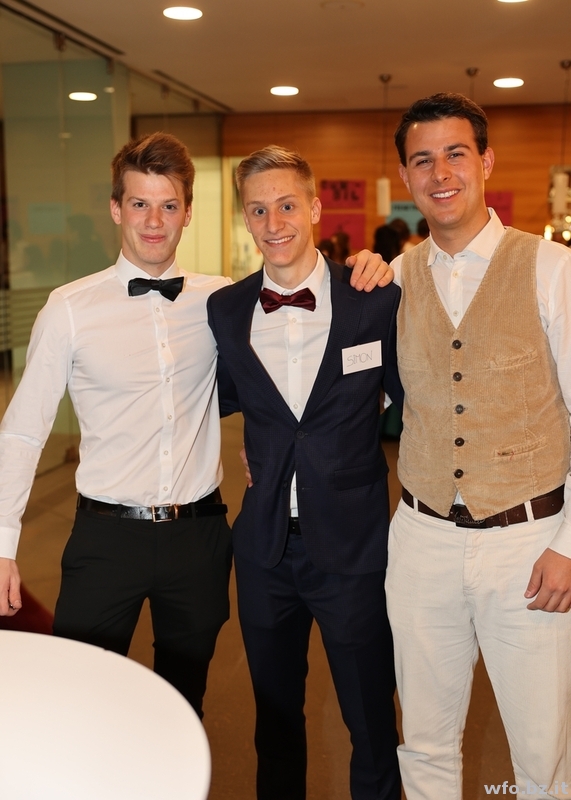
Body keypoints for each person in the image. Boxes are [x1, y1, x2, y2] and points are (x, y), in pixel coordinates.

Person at [0, 132, 392, 716]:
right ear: (116, 209)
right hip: (106, 537)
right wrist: (3, 545)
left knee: (184, 704)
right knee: (78, 702)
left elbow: (289, 374)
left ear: (187, 213)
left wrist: (367, 263)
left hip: (199, 537)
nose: (154, 221)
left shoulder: (222, 303)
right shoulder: (69, 308)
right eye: (139, 203)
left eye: (168, 205)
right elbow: (23, 430)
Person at [386, 92, 571, 800]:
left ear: (485, 162)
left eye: (455, 154)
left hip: (528, 543)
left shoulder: (550, 268)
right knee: (424, 744)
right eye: (422, 159)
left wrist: (569, 543)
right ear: (406, 175)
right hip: (421, 538)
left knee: (543, 756)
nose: (440, 173)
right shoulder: (394, 278)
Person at [207, 145, 402, 800]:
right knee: (274, 724)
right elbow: (216, 401)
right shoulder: (225, 310)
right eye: (258, 210)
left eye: (287, 204)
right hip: (264, 551)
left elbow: (416, 401)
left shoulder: (373, 297)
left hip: (353, 548)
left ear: (316, 208)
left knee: (371, 721)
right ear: (245, 218)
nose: (274, 222)